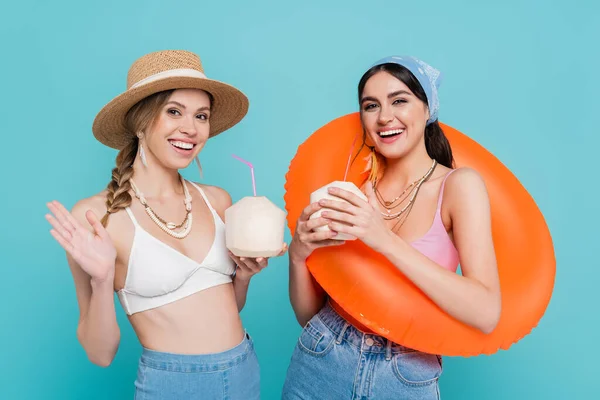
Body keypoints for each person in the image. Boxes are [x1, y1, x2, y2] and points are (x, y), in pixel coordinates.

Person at [45, 50, 285, 399]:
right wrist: (101, 281)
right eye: (174, 111)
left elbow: (225, 309)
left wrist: (244, 276)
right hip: (172, 384)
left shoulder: (218, 201)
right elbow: (100, 354)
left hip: (243, 369)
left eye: (201, 116)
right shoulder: (99, 217)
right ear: (141, 122)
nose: (190, 128)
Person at [282, 56, 501, 399]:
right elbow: (308, 315)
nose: (384, 117)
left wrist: (381, 238)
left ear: (428, 109)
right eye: (371, 106)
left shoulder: (459, 186)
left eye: (399, 100)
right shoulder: (352, 186)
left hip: (405, 371)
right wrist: (297, 255)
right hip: (321, 354)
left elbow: (486, 313)